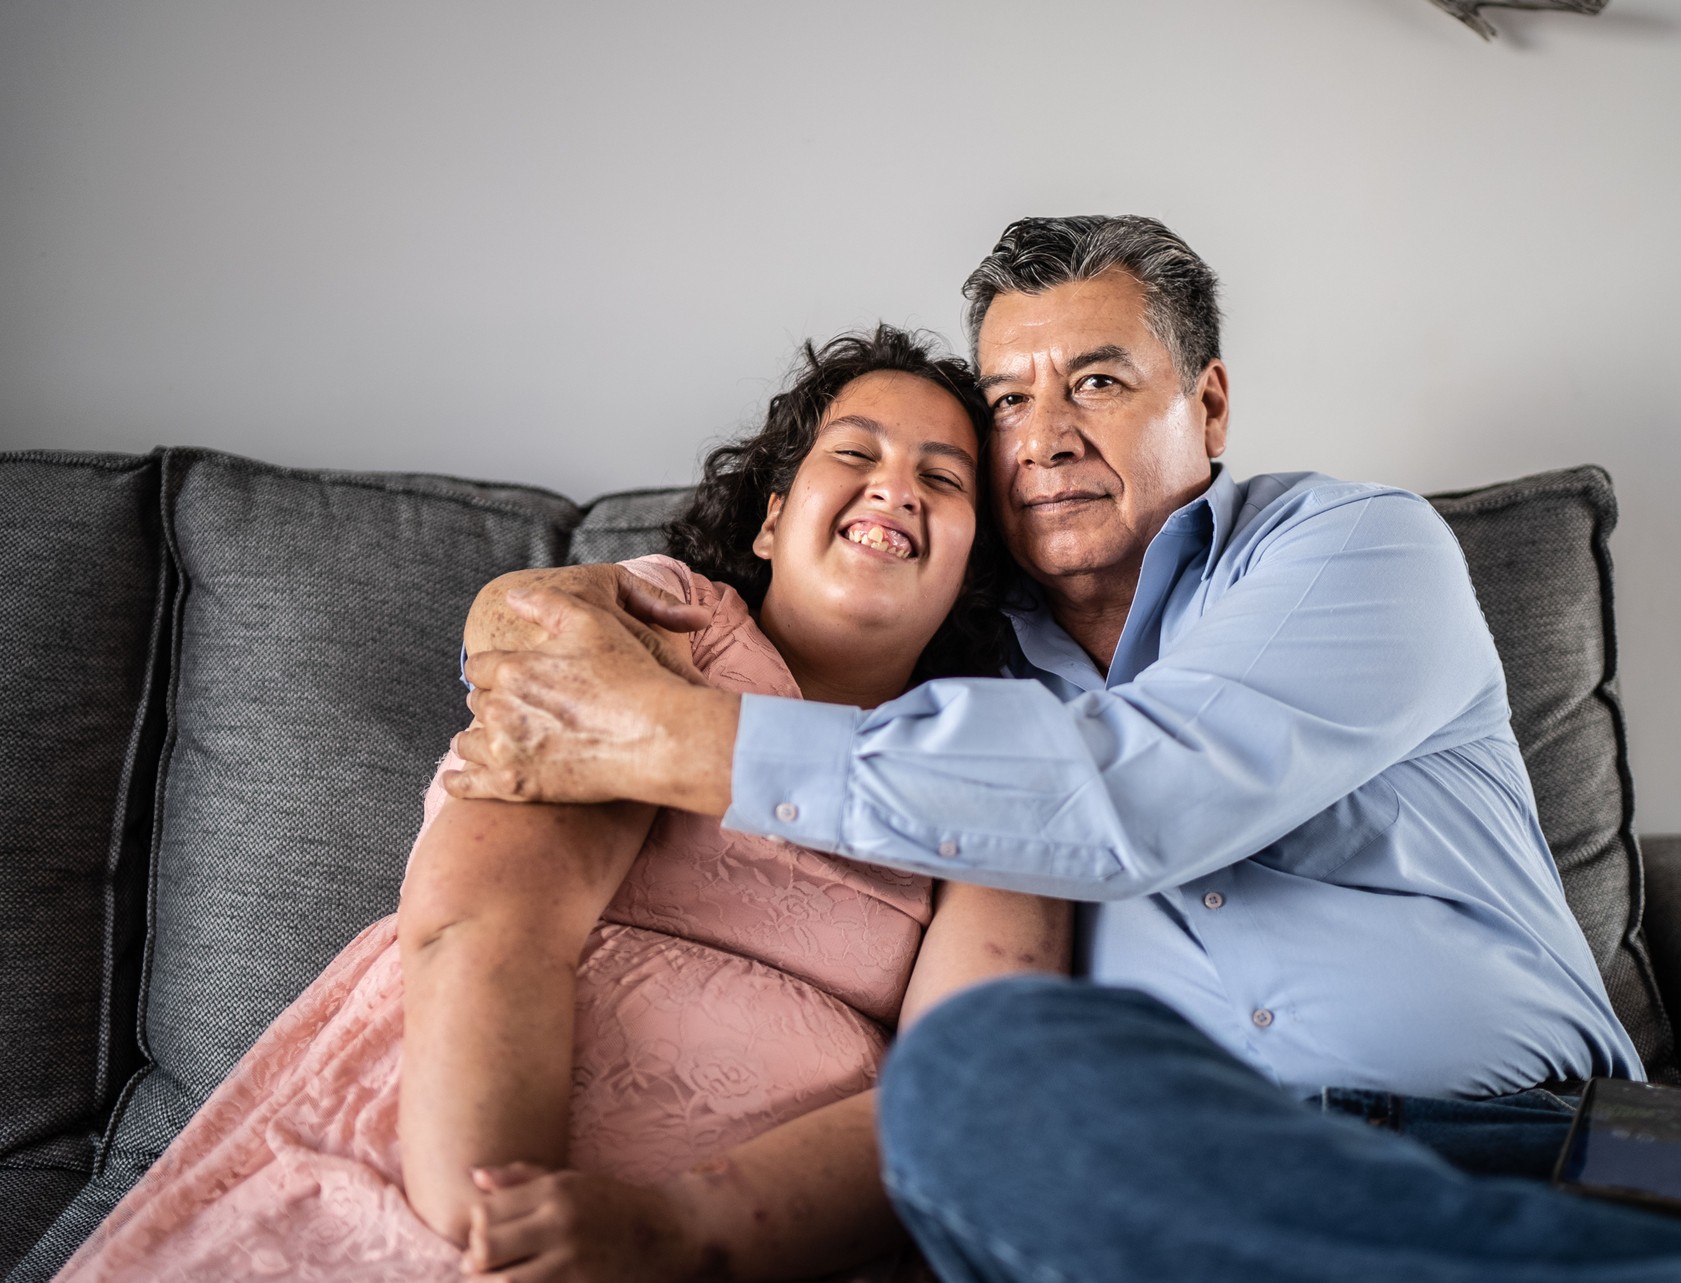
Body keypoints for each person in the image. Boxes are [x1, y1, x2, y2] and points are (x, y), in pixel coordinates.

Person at [451, 216, 1681, 1281]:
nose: (1043, 437)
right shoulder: (963, 664)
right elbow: (701, 614)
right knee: (975, 1072)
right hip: (1180, 1193)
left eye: (1098, 380)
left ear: (1208, 405)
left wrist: (701, 743)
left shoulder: (1353, 548)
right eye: (1007, 401)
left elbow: (1139, 792)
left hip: (1547, 1141)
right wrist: (535, 601)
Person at [52, 327, 1068, 1283]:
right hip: (458, 1148)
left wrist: (679, 1231)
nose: (897, 484)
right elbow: (491, 919)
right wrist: (500, 1222)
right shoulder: (663, 625)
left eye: (944, 475)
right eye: (856, 452)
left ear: (975, 560)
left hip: (750, 1233)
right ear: (770, 516)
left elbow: (956, 1092)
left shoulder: (998, 759)